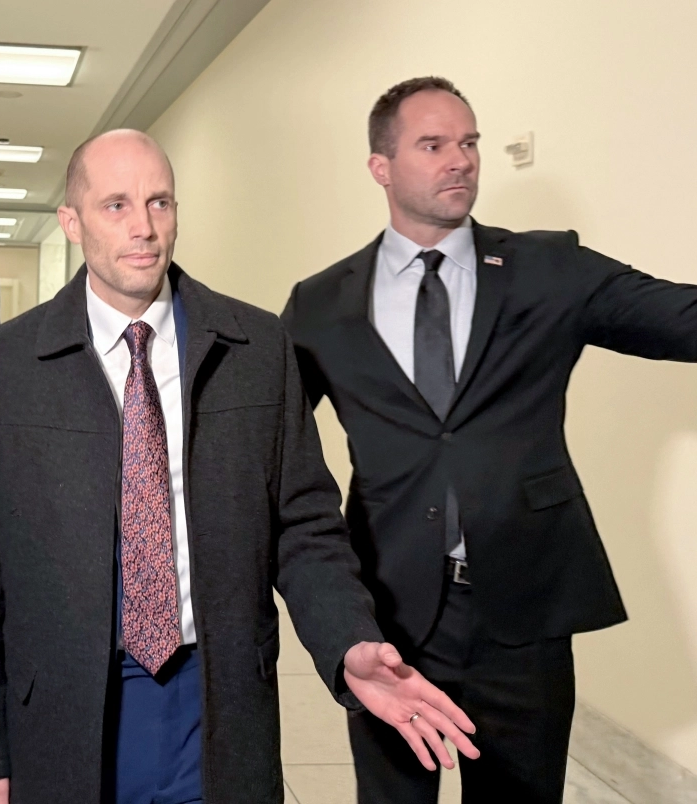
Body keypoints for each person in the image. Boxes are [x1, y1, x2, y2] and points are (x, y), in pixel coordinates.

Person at [0, 129, 479, 804]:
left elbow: (305, 526)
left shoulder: (256, 348)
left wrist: (349, 641)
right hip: (64, 710)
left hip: (218, 702)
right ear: (72, 222)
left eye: (159, 202)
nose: (143, 227)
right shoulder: (7, 364)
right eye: (116, 205)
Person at [281, 76, 697, 803]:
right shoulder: (321, 303)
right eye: (432, 144)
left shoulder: (548, 268)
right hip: (390, 610)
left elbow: (682, 318)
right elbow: (269, 437)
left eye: (469, 142)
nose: (461, 159)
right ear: (380, 166)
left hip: (523, 611)